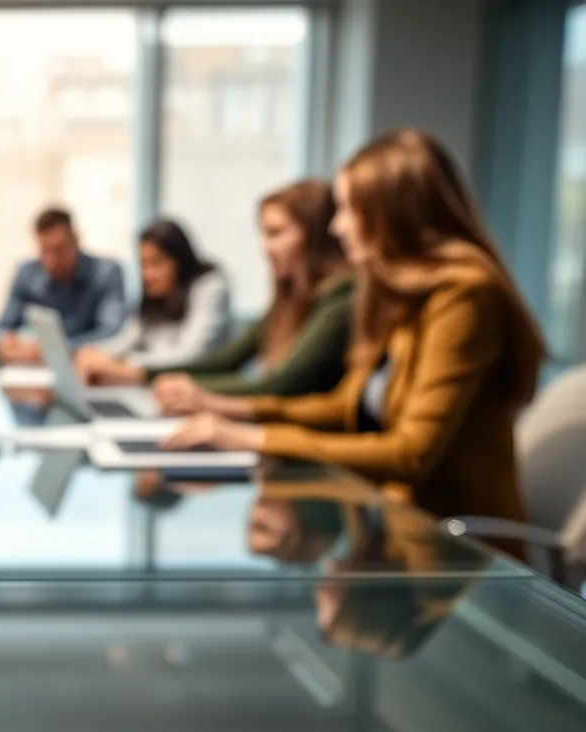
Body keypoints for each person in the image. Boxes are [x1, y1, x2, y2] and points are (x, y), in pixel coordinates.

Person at [162, 129, 547, 532]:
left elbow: (410, 454)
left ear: (391, 214)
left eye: (348, 209)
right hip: (394, 529)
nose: (336, 228)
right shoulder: (398, 296)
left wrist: (251, 439)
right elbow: (344, 407)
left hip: (458, 556)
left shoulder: (465, 295)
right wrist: (233, 414)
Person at [77, 181, 353, 403]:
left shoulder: (339, 298)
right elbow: (230, 358)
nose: (264, 248)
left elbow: (280, 383)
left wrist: (194, 393)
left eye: (276, 233)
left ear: (316, 235)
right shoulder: (288, 300)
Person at [81, 218, 230, 374]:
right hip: (154, 384)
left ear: (180, 261)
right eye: (143, 264)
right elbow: (125, 340)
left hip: (198, 386)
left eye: (156, 263)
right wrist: (97, 354)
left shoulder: (211, 287)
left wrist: (126, 365)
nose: (147, 274)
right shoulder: (154, 297)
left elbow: (192, 354)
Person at [0, 207, 126, 364]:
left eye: (59, 250)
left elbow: (111, 332)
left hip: (84, 367)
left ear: (76, 240)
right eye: (45, 251)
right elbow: (2, 327)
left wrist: (56, 349)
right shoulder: (26, 273)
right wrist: (4, 342)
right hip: (33, 366)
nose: (51, 260)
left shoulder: (106, 272)